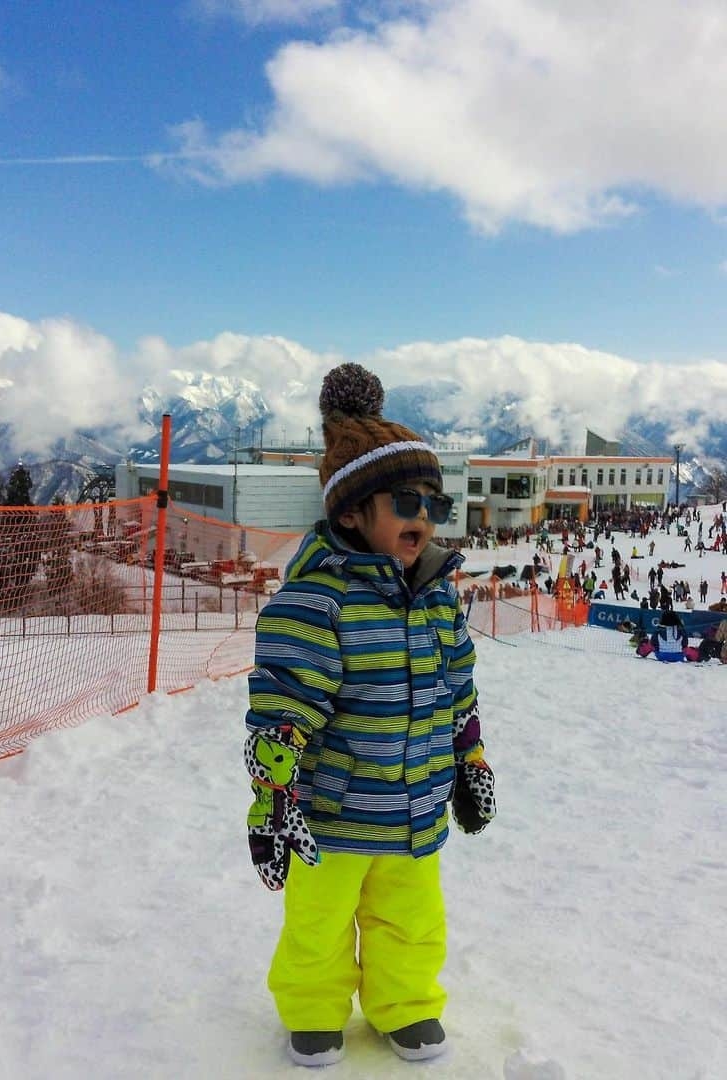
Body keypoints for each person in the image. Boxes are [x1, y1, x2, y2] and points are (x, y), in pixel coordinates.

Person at [245, 363, 495, 1068]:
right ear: (352, 512)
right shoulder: (319, 599)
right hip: (332, 811)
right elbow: (284, 708)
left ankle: (406, 1005)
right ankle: (314, 1010)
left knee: (411, 921)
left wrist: (469, 759)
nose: (423, 516)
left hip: (415, 807)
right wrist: (273, 795)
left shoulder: (439, 597)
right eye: (406, 500)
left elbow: (458, 690)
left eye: (434, 505)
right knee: (318, 923)